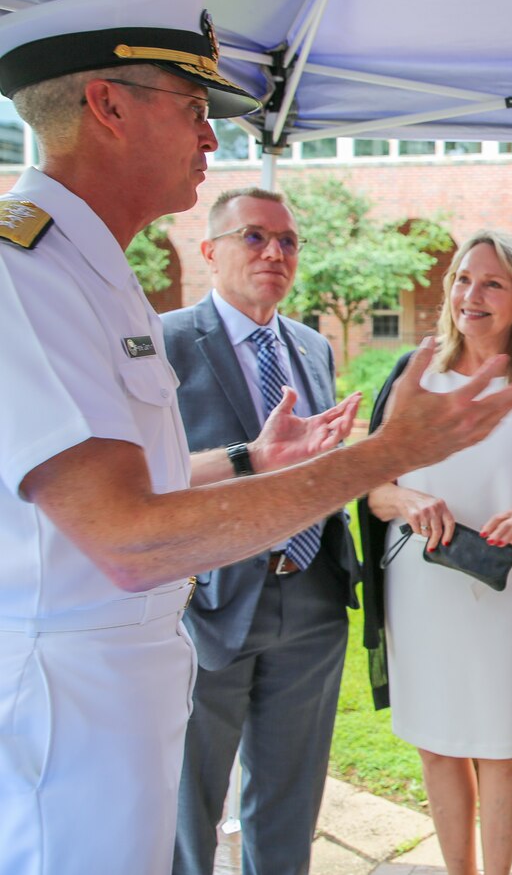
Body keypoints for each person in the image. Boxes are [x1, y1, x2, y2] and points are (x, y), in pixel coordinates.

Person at [0, 0, 512, 873]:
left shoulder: (94, 267)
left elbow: (138, 483)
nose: (212, 137)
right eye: (195, 108)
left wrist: (249, 458)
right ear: (107, 105)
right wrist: (384, 457)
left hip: (123, 687)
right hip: (70, 710)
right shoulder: (29, 274)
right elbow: (125, 541)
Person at [360, 230, 512, 875]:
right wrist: (410, 504)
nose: (472, 295)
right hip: (423, 588)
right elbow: (371, 486)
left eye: (492, 283)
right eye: (464, 280)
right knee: (437, 745)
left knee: (502, 744)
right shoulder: (417, 374)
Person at [163, 187, 358, 875]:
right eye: (254, 237)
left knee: (290, 799)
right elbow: (151, 474)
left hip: (310, 597)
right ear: (210, 250)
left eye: (288, 240)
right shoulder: (166, 342)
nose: (275, 251)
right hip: (210, 604)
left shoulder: (311, 344)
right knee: (189, 803)